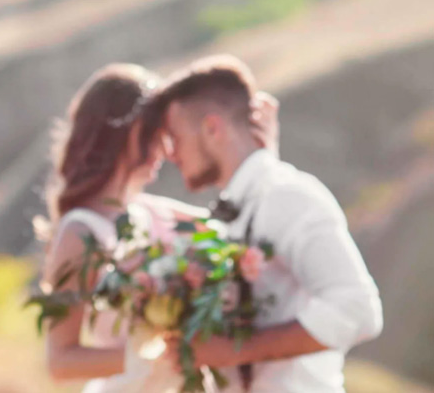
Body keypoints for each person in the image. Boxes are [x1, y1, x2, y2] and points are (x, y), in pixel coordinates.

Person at [37, 63, 277, 392]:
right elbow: (60, 362)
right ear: (129, 131)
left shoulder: (152, 211)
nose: (167, 150)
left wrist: (263, 154)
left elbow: (238, 228)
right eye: (158, 134)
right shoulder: (79, 232)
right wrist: (154, 354)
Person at [152, 55, 383, 392]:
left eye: (174, 137)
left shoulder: (289, 196)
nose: (171, 154)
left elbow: (358, 311)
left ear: (212, 128)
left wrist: (233, 350)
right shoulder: (231, 212)